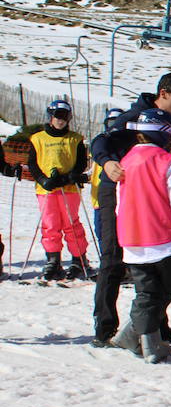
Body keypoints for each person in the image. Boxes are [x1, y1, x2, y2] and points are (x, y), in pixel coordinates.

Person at [90, 72, 171, 347]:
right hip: (120, 190)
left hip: (153, 195)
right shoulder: (136, 117)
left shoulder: (170, 123)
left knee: (161, 264)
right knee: (112, 260)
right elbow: (100, 141)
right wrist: (107, 161)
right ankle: (105, 328)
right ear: (163, 93)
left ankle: (157, 324)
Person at [110, 109, 171, 363]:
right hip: (163, 238)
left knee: (146, 291)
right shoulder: (167, 162)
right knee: (163, 291)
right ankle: (149, 344)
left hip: (132, 238)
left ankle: (132, 335)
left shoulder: (126, 160)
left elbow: (119, 202)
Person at [27, 98, 91, 281]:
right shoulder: (38, 139)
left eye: (65, 116)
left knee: (71, 223)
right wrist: (42, 179)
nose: (61, 120)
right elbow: (32, 163)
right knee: (50, 224)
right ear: (50, 116)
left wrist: (70, 176)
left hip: (68, 188)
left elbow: (81, 162)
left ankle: (78, 259)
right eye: (58, 116)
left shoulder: (75, 139)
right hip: (46, 189)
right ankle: (53, 259)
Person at [89, 107, 123, 245]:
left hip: (119, 197)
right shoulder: (101, 144)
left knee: (118, 231)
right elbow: (93, 168)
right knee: (102, 231)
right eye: (111, 123)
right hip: (99, 197)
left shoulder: (124, 147)